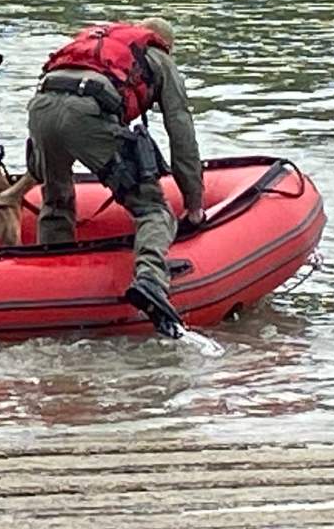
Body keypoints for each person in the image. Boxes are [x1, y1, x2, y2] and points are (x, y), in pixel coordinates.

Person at [23, 18, 204, 336]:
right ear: (165, 45)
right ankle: (150, 279)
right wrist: (193, 201)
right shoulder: (159, 58)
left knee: (56, 198)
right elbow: (180, 130)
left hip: (41, 107)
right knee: (152, 209)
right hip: (87, 114)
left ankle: (50, 285)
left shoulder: (93, 47)